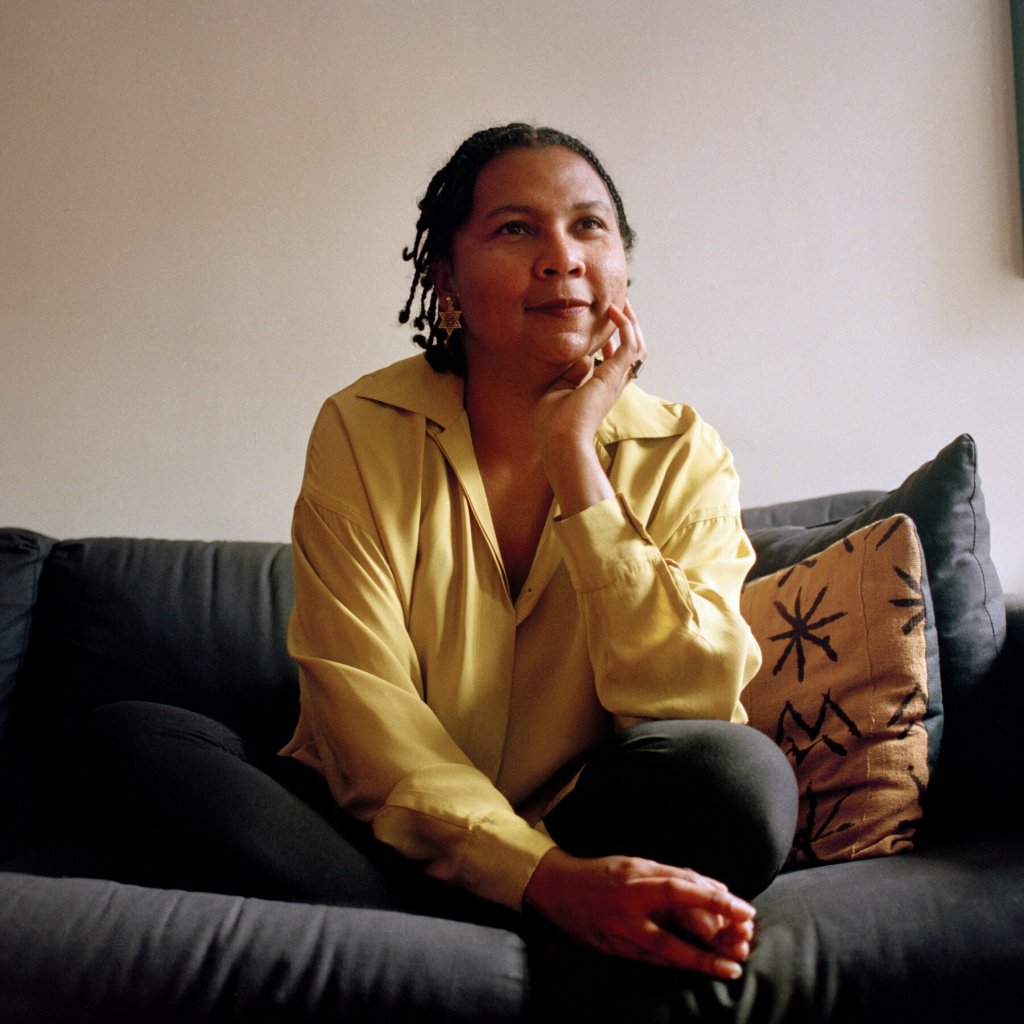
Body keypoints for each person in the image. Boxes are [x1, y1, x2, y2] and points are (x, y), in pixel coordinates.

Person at [86, 123, 797, 982]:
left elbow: (686, 698)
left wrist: (578, 463)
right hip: (377, 833)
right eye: (515, 228)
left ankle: (428, 941)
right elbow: (366, 713)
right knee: (127, 741)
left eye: (588, 226)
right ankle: (519, 922)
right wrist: (540, 881)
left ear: (623, 271)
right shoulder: (361, 429)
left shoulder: (686, 452)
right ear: (446, 280)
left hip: (592, 825)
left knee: (741, 779)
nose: (561, 257)